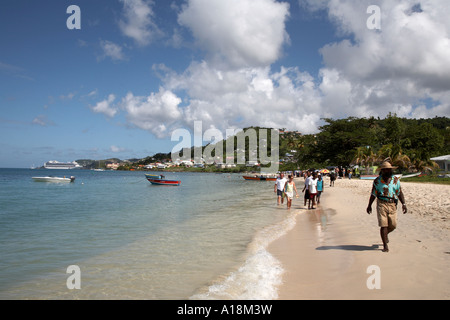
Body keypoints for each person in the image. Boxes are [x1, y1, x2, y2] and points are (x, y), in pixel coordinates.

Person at [366, 161, 407, 253]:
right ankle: (385, 245)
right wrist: (369, 205)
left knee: (393, 225)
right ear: (383, 171)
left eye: (389, 169)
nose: (388, 171)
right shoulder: (377, 181)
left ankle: (385, 235)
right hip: (381, 203)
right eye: (386, 170)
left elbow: (399, 193)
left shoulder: (395, 180)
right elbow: (373, 194)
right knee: (383, 225)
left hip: (392, 204)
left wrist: (403, 204)